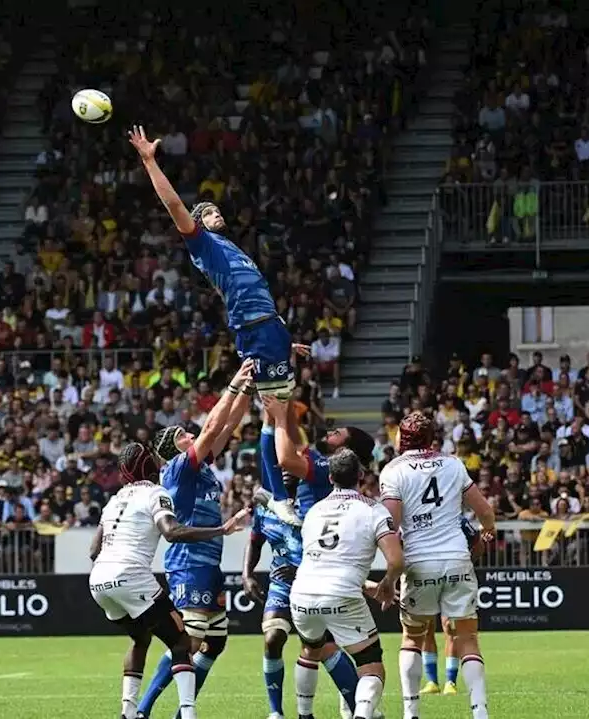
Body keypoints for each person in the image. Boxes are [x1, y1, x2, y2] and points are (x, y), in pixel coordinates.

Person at [129, 124, 301, 526]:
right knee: (276, 412)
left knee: (277, 411)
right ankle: (277, 494)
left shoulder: (233, 248)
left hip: (272, 328)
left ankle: (277, 490)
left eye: (216, 209)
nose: (215, 212)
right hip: (257, 330)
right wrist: (150, 162)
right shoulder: (201, 242)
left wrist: (284, 340)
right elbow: (174, 206)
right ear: (198, 222)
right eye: (207, 211)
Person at [88, 441, 250, 719]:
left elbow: (93, 551)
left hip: (99, 581)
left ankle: (129, 713)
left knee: (140, 639)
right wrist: (221, 530)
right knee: (181, 643)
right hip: (131, 576)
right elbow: (172, 532)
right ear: (147, 466)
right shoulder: (155, 492)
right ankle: (188, 713)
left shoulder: (114, 499)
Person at [135, 359, 256, 717]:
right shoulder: (178, 468)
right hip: (189, 563)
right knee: (187, 642)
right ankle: (143, 710)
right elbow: (213, 425)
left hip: (208, 562)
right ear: (175, 450)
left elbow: (229, 424)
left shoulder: (200, 467)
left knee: (214, 642)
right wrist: (233, 383)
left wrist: (251, 387)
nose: (189, 434)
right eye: (181, 436)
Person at [258, 396, 376, 718]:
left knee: (321, 647)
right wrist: (286, 402)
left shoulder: (325, 469)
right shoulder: (327, 464)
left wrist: (280, 418)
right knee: (316, 647)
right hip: (316, 562)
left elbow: (285, 457)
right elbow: (296, 443)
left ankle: (347, 708)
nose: (332, 431)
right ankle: (347, 708)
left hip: (309, 564)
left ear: (346, 449)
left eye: (339, 432)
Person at [379, 411, 496, 719]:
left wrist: (390, 570)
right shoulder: (454, 464)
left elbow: (390, 523)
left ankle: (411, 713)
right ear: (432, 437)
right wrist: (489, 529)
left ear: (402, 438)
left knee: (412, 637)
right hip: (457, 559)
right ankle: (480, 712)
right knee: (468, 638)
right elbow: (483, 509)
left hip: (419, 563)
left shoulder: (393, 470)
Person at [292, 448, 405, 719]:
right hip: (341, 594)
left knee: (310, 649)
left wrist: (364, 585)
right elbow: (397, 560)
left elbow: (324, 560)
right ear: (361, 475)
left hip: (302, 592)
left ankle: (304, 715)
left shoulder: (315, 511)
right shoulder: (373, 510)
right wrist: (387, 583)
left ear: (330, 478)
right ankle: (362, 715)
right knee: (370, 664)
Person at [421, 519, 484, 696]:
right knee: (426, 628)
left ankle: (450, 681)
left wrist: (466, 564)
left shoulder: (457, 519)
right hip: (425, 576)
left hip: (452, 575)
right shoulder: (418, 517)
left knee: (450, 627)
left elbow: (477, 543)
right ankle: (432, 681)